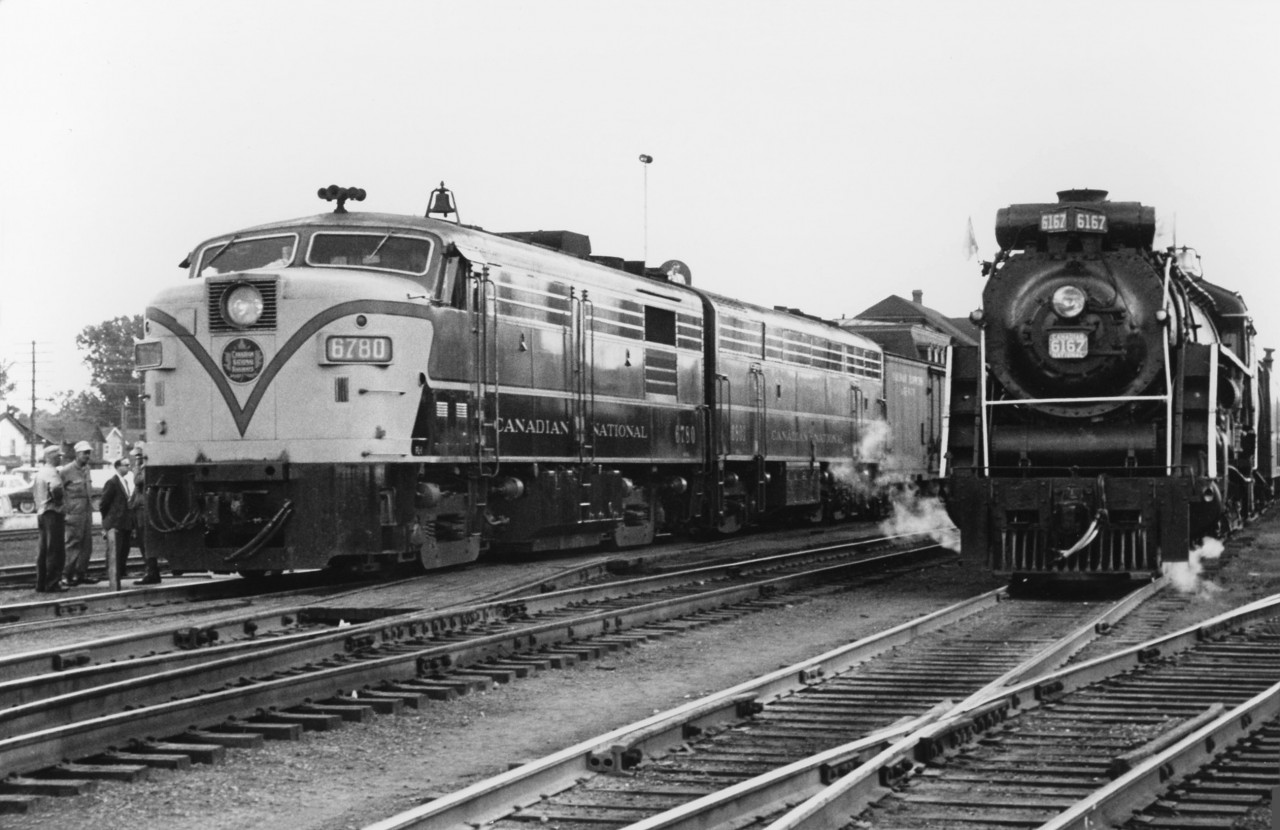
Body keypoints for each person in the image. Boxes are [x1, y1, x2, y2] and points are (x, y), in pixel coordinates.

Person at [61, 440, 99, 586]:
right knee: (72, 544)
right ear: (77, 454)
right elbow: (59, 493)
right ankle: (66, 575)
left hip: (86, 513)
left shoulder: (87, 469)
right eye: (85, 453)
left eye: (88, 453)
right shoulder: (66, 471)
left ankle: (80, 574)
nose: (87, 456)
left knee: (86, 546)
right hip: (73, 514)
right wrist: (65, 512)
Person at [32, 445, 67, 592]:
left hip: (42, 512)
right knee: (55, 549)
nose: (61, 458)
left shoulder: (40, 472)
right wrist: (59, 503)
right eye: (59, 456)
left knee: (43, 550)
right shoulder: (52, 472)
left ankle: (41, 583)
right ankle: (52, 583)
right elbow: (56, 489)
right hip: (53, 512)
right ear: (52, 457)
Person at [98, 456, 133, 586]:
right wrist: (107, 519)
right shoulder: (112, 483)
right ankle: (112, 573)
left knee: (124, 548)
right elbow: (104, 503)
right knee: (115, 549)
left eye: (128, 465)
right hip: (115, 521)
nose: (128, 467)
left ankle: (121, 571)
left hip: (124, 521)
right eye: (126, 465)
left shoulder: (125, 482)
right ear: (118, 467)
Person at [129, 445, 161, 585]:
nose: (136, 459)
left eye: (138, 456)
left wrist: (137, 467)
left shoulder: (145, 469)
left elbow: (137, 481)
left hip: (144, 511)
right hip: (139, 509)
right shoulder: (143, 469)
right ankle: (151, 571)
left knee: (145, 541)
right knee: (142, 542)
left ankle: (151, 572)